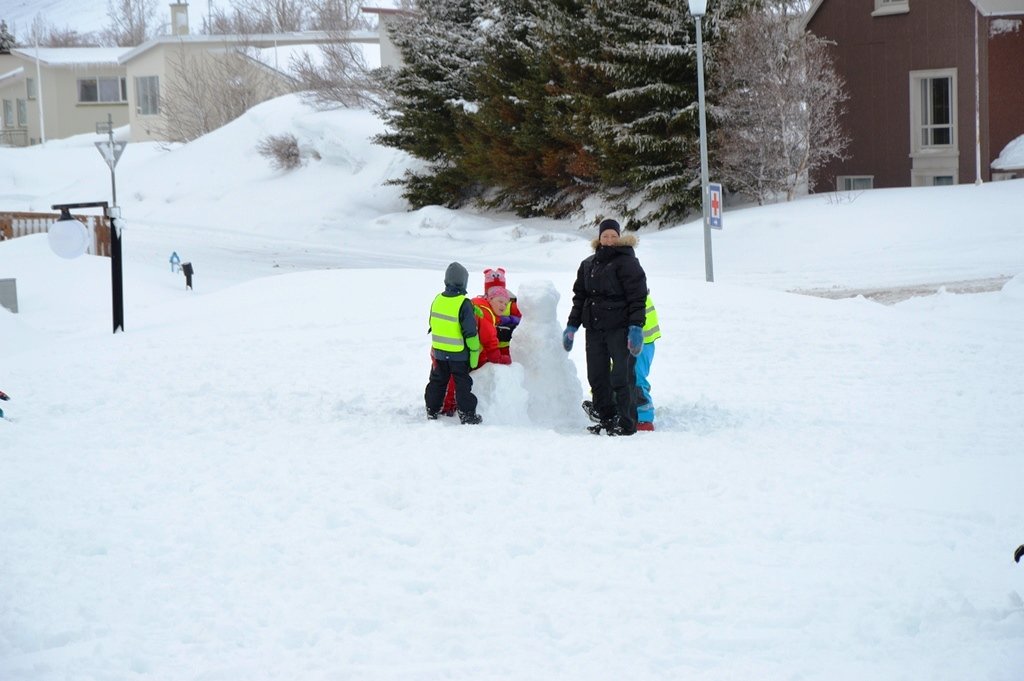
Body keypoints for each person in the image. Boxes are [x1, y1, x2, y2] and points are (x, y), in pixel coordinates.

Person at [563, 218, 648, 436]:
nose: (609, 240)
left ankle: (627, 422)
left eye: (613, 235)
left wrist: (636, 327)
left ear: (619, 237)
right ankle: (606, 417)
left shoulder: (628, 262)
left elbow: (637, 298)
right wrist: (572, 326)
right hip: (594, 329)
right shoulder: (588, 264)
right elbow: (579, 297)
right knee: (598, 376)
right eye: (604, 236)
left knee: (622, 376)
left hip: (619, 329)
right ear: (598, 238)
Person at [583, 292, 661, 431]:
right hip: (632, 340)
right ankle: (612, 407)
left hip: (640, 342)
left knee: (634, 378)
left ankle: (643, 418)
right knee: (618, 374)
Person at [440, 284, 512, 415]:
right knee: (455, 378)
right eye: (500, 301)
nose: (503, 306)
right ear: (489, 299)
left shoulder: (476, 305)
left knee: (444, 375)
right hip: (460, 351)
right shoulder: (486, 312)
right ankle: (447, 405)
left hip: (444, 346)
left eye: (506, 304)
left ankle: (440, 403)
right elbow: (490, 341)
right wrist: (501, 359)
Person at [425, 262, 483, 424]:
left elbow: (434, 323)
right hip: (459, 355)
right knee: (462, 385)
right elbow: (470, 333)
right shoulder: (463, 303)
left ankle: (432, 409)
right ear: (464, 282)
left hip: (440, 352)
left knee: (437, 382)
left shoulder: (437, 299)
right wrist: (474, 352)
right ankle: (467, 415)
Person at [483, 267, 523, 360]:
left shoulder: (512, 305)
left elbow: (525, 323)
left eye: (499, 289)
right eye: (491, 290)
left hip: (508, 350)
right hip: (488, 352)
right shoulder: (482, 305)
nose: (495, 293)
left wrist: (510, 321)